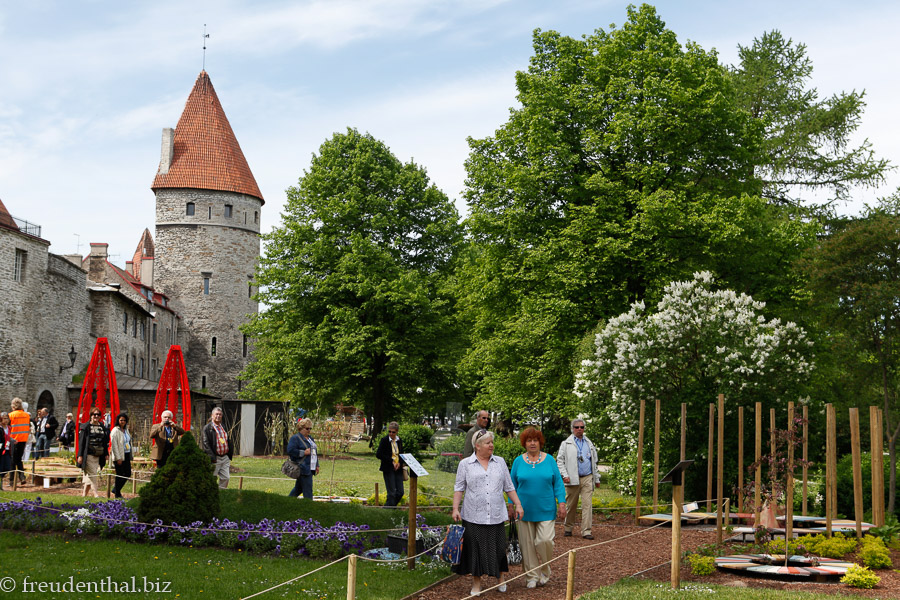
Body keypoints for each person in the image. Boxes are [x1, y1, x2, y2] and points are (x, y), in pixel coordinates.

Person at [452, 429, 524, 597]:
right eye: (487, 443)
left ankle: (501, 578)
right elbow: (459, 487)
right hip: (473, 515)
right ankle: (477, 583)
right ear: (477, 446)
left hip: (495, 514)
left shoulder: (500, 462)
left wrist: (518, 504)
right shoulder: (465, 464)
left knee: (498, 549)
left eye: (492, 442)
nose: (491, 445)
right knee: (475, 550)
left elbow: (509, 486)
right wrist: (455, 508)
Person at [510, 427, 566, 588]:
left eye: (535, 440)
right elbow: (511, 485)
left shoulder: (549, 460)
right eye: (529, 440)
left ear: (540, 442)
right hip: (524, 510)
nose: (532, 443)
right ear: (524, 443)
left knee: (545, 540)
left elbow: (558, 483)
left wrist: (562, 503)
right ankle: (531, 577)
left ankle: (545, 570)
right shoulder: (518, 461)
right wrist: (511, 505)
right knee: (527, 545)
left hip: (546, 509)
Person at [556, 418, 600, 539]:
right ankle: (568, 528)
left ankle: (586, 531)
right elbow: (560, 461)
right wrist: (565, 475)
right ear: (572, 429)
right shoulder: (566, 443)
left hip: (587, 477)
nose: (579, 429)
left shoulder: (589, 443)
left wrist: (596, 479)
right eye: (577, 427)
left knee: (587, 505)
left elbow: (594, 461)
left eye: (582, 427)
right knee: (571, 505)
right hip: (572, 479)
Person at [77, 408, 110, 497]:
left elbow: (104, 442)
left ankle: (84, 495)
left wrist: (106, 453)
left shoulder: (102, 426)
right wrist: (80, 455)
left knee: (90, 475)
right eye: (94, 414)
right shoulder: (85, 427)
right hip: (88, 455)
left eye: (98, 415)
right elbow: (81, 442)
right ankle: (96, 494)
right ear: (91, 415)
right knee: (93, 474)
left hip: (98, 455)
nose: (96, 416)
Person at [286, 418, 319, 499]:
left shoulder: (311, 439)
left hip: (310, 468)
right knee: (308, 491)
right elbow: (290, 450)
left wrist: (317, 465)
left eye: (310, 428)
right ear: (301, 428)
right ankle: (309, 505)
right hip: (302, 468)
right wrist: (303, 452)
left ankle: (287, 501)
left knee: (298, 489)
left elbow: (314, 452)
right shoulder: (295, 438)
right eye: (307, 428)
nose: (309, 430)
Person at [202, 407, 233, 489]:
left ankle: (221, 493)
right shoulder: (207, 428)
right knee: (212, 477)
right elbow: (206, 444)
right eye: (216, 414)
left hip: (225, 457)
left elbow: (227, 440)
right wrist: (212, 458)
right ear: (212, 415)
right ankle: (211, 493)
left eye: (220, 414)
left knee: (226, 478)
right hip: (215, 458)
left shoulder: (223, 426)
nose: (218, 416)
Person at [375, 422, 405, 506]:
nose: (391, 434)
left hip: (398, 468)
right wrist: (391, 461)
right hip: (388, 468)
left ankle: (389, 507)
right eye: (389, 431)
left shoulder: (399, 440)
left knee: (400, 492)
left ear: (397, 432)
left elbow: (401, 453)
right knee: (391, 493)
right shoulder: (384, 440)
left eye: (393, 432)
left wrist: (399, 463)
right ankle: (389, 509)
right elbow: (379, 454)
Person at [109, 412, 133, 499]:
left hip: (126, 454)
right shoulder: (115, 430)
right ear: (118, 421)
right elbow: (114, 445)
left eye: (124, 420)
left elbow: (129, 441)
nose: (123, 422)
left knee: (128, 473)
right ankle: (117, 493)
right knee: (120, 474)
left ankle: (116, 489)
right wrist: (118, 457)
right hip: (119, 455)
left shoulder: (126, 430)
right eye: (121, 420)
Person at [8, 398, 30, 484]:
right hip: (23, 439)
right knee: (18, 459)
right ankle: (22, 477)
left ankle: (12, 480)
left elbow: (9, 428)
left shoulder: (11, 415)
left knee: (13, 460)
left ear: (13, 406)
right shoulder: (27, 415)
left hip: (14, 439)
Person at [0, 412, 12, 489]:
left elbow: (10, 437)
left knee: (7, 467)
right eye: (4, 418)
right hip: (1, 451)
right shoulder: (0, 428)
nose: (6, 420)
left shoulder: (9, 428)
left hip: (8, 450)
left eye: (7, 418)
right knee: (0, 468)